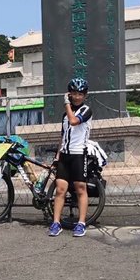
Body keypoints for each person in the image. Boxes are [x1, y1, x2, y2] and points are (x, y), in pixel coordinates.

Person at [49, 77, 93, 238]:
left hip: (79, 154)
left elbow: (74, 121)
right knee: (60, 189)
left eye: (80, 94)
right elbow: (63, 135)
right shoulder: (64, 115)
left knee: (80, 188)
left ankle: (81, 223)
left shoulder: (86, 110)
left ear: (85, 95)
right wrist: (58, 155)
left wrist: (66, 103)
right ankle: (56, 222)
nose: (77, 97)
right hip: (65, 155)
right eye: (73, 93)